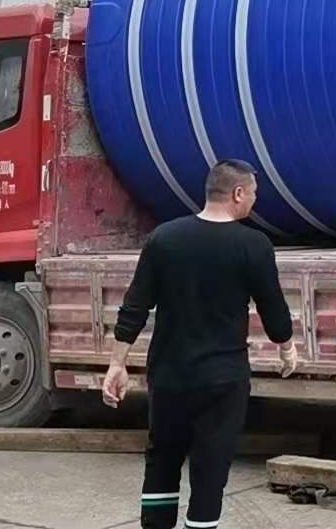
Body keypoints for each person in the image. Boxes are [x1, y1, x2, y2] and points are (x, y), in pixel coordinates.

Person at [102, 159, 300, 529]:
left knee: (162, 457)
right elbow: (273, 309)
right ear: (237, 194)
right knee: (211, 465)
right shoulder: (253, 245)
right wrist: (286, 347)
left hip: (169, 374)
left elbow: (135, 306)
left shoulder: (164, 238)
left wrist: (117, 364)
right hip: (222, 379)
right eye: (253, 193)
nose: (255, 200)